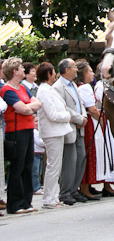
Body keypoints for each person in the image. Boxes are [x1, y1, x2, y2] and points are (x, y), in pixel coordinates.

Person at [0, 57, 42, 214]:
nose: (24, 69)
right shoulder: (7, 90)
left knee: (28, 165)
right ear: (14, 71)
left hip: (28, 129)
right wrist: (28, 108)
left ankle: (26, 201)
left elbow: (37, 103)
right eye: (21, 68)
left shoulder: (23, 88)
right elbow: (23, 109)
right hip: (16, 131)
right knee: (17, 166)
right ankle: (14, 203)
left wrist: (26, 107)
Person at [76, 61, 114, 199]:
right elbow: (93, 109)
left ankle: (90, 186)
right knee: (91, 153)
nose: (92, 74)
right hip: (92, 122)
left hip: (93, 121)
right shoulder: (85, 88)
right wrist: (103, 122)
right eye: (89, 71)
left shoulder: (85, 87)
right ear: (83, 73)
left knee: (96, 153)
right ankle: (85, 187)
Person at [36, 61, 73, 209]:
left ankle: (53, 197)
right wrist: (67, 116)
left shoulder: (48, 90)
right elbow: (52, 114)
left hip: (56, 131)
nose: (55, 75)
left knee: (56, 165)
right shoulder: (44, 91)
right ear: (48, 74)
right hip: (51, 132)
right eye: (52, 72)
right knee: (53, 166)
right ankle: (49, 199)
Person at [53, 58, 88, 205]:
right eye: (74, 67)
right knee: (70, 161)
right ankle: (65, 192)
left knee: (81, 159)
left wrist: (84, 117)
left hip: (79, 127)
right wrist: (79, 119)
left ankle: (74, 190)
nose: (76, 70)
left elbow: (81, 103)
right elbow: (63, 107)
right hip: (70, 128)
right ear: (67, 70)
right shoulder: (58, 87)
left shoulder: (73, 84)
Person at [32, 114, 45, 194]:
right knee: (35, 172)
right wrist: (47, 143)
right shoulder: (34, 132)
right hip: (35, 154)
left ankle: (38, 186)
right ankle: (35, 188)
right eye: (36, 121)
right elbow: (40, 142)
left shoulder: (40, 132)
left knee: (39, 172)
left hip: (40, 153)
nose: (38, 123)